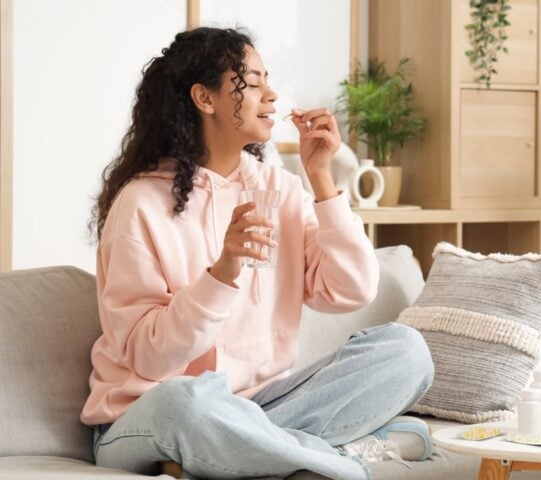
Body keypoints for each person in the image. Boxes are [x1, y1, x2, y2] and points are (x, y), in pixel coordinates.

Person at [82, 26, 435, 480]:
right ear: (204, 98)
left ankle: (236, 453)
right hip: (145, 415)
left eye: (269, 79)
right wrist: (221, 273)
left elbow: (351, 290)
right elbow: (148, 360)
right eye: (252, 81)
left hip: (259, 406)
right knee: (187, 400)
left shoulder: (279, 190)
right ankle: (341, 459)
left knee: (407, 351)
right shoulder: (141, 205)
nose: (272, 94)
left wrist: (321, 180)